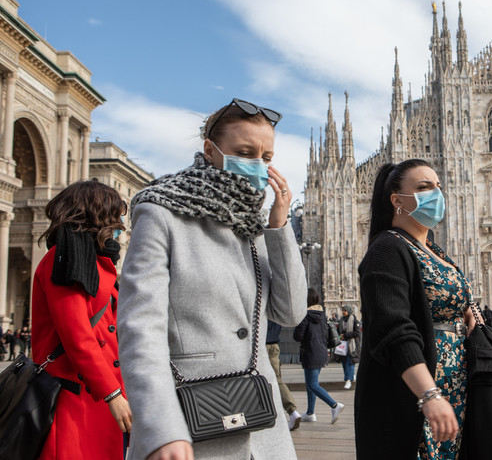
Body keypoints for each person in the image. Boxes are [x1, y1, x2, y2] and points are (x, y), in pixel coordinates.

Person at [118, 98, 307, 460]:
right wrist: (161, 428)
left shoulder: (253, 224)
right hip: (188, 426)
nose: (257, 165)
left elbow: (290, 312)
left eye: (266, 157)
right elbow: (140, 328)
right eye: (244, 152)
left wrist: (279, 228)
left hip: (263, 430)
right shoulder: (161, 213)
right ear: (210, 149)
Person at [355, 159, 476, 459]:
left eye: (438, 186)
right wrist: (429, 395)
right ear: (396, 200)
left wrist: (463, 309)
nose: (436, 194)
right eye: (424, 187)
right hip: (415, 393)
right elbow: (394, 329)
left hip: (454, 388)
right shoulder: (387, 248)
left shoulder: (433, 249)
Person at [31, 181, 131, 459]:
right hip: (72, 398)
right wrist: (111, 393)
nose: (118, 224)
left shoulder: (97, 261)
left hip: (99, 396)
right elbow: (76, 334)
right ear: (96, 214)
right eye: (114, 215)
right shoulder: (63, 259)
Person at [293, 288, 345, 424]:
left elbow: (298, 336)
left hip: (310, 353)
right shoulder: (322, 315)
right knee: (310, 383)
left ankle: (334, 405)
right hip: (321, 353)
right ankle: (310, 413)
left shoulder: (305, 316)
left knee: (313, 384)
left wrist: (298, 323)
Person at [266, 319, 302, 430]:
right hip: (274, 345)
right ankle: (292, 411)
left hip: (262, 346)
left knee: (254, 379)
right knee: (277, 380)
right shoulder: (274, 307)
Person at [337, 303, 361, 389]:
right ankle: (349, 376)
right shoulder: (341, 320)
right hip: (343, 345)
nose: (344, 312)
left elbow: (357, 333)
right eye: (343, 310)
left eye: (345, 310)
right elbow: (338, 332)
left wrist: (346, 335)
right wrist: (340, 336)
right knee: (344, 363)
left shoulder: (354, 320)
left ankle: (348, 380)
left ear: (349, 311)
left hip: (352, 345)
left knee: (350, 361)